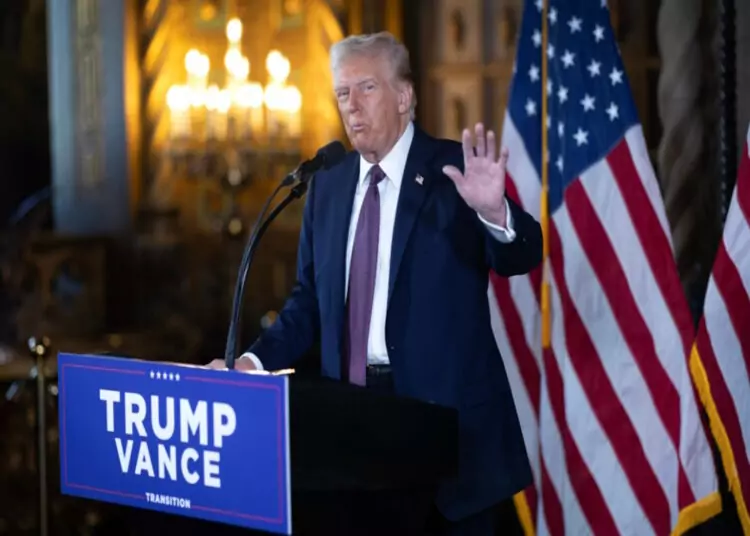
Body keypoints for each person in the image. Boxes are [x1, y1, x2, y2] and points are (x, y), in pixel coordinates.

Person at [208, 31, 542, 536]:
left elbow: (522, 255)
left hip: (450, 440)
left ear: (404, 97)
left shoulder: (455, 173)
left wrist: (496, 214)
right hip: (355, 433)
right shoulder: (327, 184)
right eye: (342, 93)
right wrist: (249, 365)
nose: (352, 105)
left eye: (366, 88)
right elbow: (307, 305)